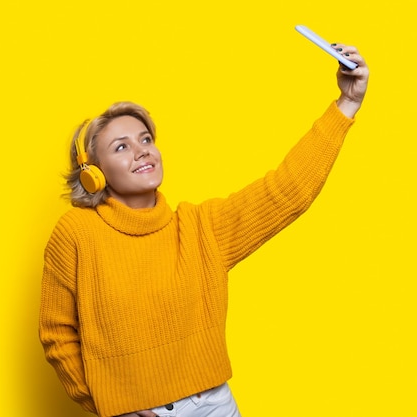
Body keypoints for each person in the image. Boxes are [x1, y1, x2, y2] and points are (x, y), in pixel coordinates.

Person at [39, 43, 369, 417]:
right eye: (122, 147)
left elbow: (288, 191)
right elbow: (57, 334)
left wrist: (347, 103)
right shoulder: (77, 234)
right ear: (93, 174)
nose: (143, 151)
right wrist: (108, 403)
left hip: (215, 405)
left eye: (146, 140)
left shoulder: (200, 227)